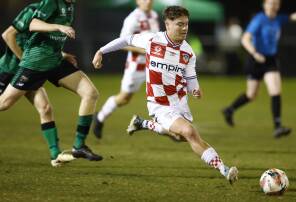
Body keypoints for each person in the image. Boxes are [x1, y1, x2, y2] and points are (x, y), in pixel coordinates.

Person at [92, 6, 239, 184]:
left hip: (179, 101)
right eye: (179, 24)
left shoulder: (188, 52)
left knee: (179, 137)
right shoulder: (153, 40)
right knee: (189, 132)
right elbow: (125, 40)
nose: (184, 28)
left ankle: (143, 123)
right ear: (167, 24)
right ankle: (224, 170)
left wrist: (195, 89)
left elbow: (191, 77)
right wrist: (101, 51)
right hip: (159, 104)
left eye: (186, 24)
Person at [0, 0, 102, 162]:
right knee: (4, 104)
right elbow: (27, 27)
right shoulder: (48, 4)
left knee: (89, 93)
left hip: (51, 61)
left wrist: (62, 54)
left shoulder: (69, 6)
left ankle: (75, 147)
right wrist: (58, 27)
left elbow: (49, 39)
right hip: (28, 65)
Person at [222, 0, 296, 138]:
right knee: (251, 95)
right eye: (270, 3)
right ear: (264, 5)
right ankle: (230, 109)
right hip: (256, 59)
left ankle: (277, 126)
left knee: (275, 90)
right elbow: (245, 39)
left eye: (275, 3)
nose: (273, 5)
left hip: (270, 60)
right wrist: (255, 53)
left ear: (278, 6)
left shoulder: (278, 19)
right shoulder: (259, 20)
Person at [93, 0, 159, 139]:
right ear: (137, 1)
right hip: (136, 66)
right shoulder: (132, 19)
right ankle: (100, 117)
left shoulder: (153, 15)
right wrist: (144, 50)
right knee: (124, 99)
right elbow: (122, 43)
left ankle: (167, 126)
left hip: (153, 65)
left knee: (161, 94)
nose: (147, 1)